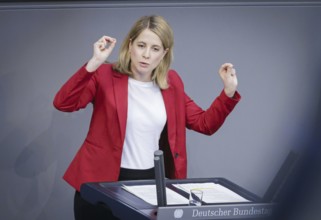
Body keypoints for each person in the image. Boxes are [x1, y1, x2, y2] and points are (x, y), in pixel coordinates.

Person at [53, 15, 241, 220]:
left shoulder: (172, 83)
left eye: (155, 49)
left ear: (164, 53)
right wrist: (94, 62)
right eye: (141, 45)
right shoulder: (104, 74)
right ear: (130, 44)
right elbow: (64, 103)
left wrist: (228, 93)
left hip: (148, 184)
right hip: (101, 181)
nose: (146, 55)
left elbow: (205, 124)